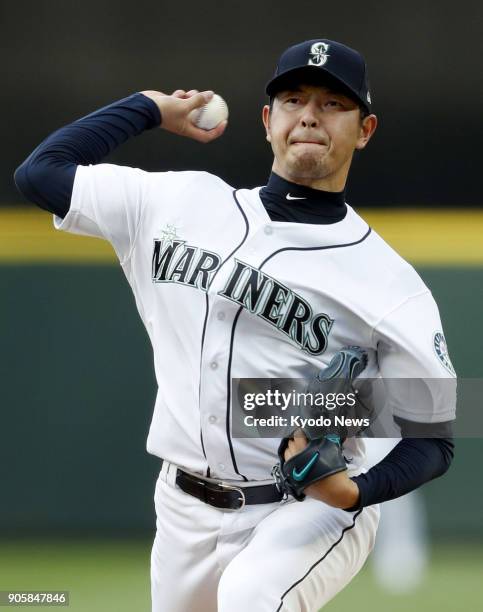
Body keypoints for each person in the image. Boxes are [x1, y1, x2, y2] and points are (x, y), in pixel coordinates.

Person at [14, 39, 456, 612]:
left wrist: (356, 492)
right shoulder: (177, 202)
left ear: (365, 129)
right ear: (269, 121)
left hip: (304, 510)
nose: (310, 116)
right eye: (294, 99)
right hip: (182, 508)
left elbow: (434, 436)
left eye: (332, 104)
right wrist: (147, 106)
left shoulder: (390, 283)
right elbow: (40, 174)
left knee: (251, 598)